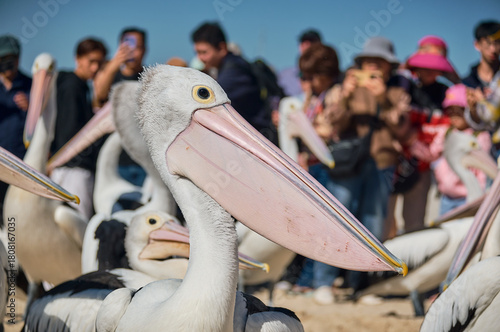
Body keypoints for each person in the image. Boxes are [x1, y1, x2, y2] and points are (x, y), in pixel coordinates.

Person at [49, 38, 107, 220]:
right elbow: (71, 131)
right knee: (78, 224)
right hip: (74, 170)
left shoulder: (77, 86)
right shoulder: (73, 87)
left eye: (99, 62)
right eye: (91, 61)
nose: (95, 68)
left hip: (66, 167)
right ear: (78, 59)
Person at [191, 22, 273, 139]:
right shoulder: (228, 67)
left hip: (261, 137)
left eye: (204, 52)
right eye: (197, 53)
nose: (200, 58)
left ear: (222, 48)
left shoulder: (235, 71)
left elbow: (209, 99)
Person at [94, 27, 148, 187]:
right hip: (116, 160)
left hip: (145, 161)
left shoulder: (149, 76)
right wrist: (114, 63)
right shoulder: (111, 74)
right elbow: (99, 95)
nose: (132, 53)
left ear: (145, 50)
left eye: (137, 47)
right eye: (127, 47)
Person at [433, 84, 491, 215]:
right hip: (447, 197)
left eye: (459, 110)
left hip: (468, 198)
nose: (454, 115)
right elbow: (433, 153)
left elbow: (483, 173)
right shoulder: (446, 133)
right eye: (450, 111)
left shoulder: (480, 137)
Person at [0, 35, 31, 221]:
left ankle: (14, 249)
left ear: (18, 59)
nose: (5, 65)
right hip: (0, 163)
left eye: (8, 60)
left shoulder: (32, 85)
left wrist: (32, 107)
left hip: (24, 165)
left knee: (17, 216)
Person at [277, 29, 322, 98]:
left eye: (311, 41)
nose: (306, 45)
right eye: (303, 42)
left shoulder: (328, 77)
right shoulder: (285, 75)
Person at [463, 20, 500, 91]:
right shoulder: (466, 84)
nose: (493, 49)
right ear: (477, 44)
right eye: (488, 43)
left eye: (497, 43)